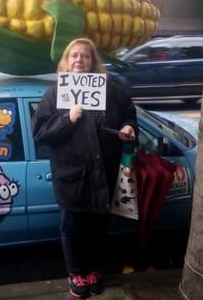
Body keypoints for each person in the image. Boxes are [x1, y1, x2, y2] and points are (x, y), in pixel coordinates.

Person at [31, 38, 138, 298]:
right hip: (73, 177)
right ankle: (76, 272)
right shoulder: (55, 93)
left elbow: (128, 112)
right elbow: (39, 132)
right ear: (67, 62)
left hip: (105, 174)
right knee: (73, 227)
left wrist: (129, 127)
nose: (79, 60)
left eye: (85, 56)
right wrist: (67, 119)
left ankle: (91, 269)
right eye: (74, 56)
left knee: (98, 226)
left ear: (93, 62)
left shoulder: (111, 89)